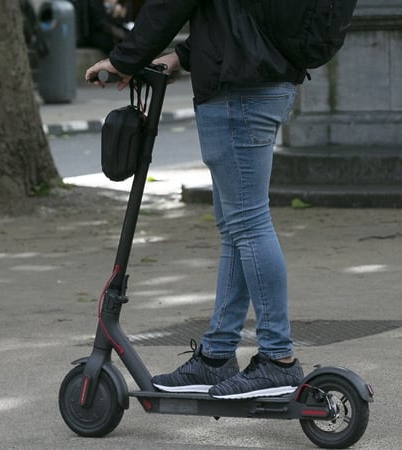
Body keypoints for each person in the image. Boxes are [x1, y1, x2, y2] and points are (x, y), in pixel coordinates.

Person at [85, 0, 308, 399]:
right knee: (237, 227)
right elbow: (239, 13)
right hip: (260, 78)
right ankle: (217, 354)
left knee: (248, 224)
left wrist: (125, 59)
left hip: (238, 90)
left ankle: (278, 359)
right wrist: (182, 56)